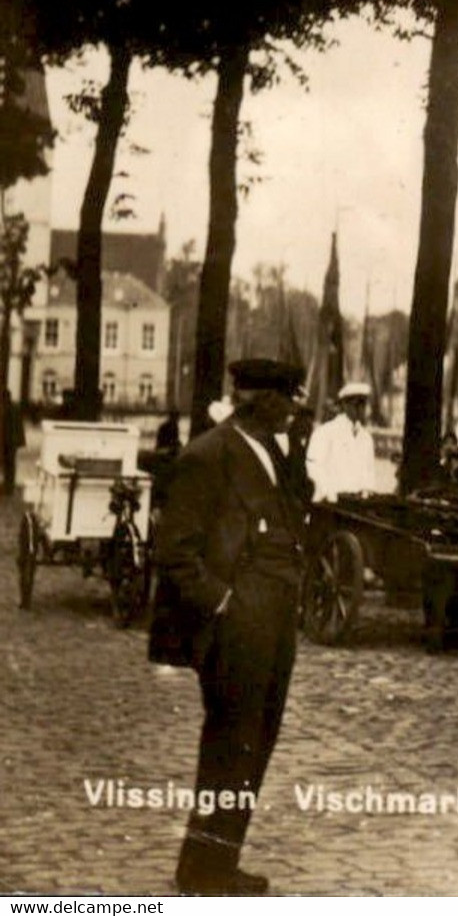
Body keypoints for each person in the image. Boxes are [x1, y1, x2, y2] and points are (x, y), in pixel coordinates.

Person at [147, 359, 310, 896]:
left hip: (274, 623)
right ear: (261, 401)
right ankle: (202, 871)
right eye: (287, 398)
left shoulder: (273, 451)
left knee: (253, 745)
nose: (294, 407)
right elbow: (174, 552)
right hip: (237, 628)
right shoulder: (208, 455)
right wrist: (224, 605)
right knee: (229, 745)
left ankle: (219, 863)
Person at [304, 382, 376, 503]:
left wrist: (367, 490)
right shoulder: (325, 432)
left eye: (363, 404)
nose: (360, 409)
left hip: (359, 504)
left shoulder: (366, 438)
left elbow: (369, 471)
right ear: (344, 405)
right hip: (332, 502)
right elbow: (314, 468)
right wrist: (329, 493)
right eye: (356, 404)